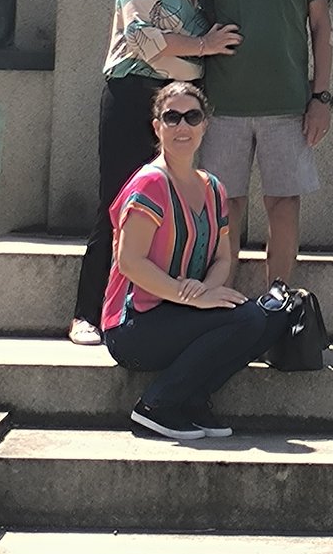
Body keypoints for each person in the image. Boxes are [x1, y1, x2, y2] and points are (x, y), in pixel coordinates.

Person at [68, 0, 241, 345]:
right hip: (134, 97)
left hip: (181, 105)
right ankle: (87, 314)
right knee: (119, 200)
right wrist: (203, 45)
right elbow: (141, 39)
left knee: (170, 207)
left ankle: (155, 306)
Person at [102, 81, 299, 441]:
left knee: (271, 317)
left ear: (205, 125)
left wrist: (208, 291)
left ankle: (192, 399)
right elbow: (129, 262)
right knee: (247, 318)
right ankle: (157, 404)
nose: (182, 127)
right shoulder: (149, 184)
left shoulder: (213, 188)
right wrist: (189, 296)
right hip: (135, 326)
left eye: (192, 117)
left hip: (184, 312)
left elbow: (224, 256)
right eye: (171, 117)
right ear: (156, 125)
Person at [194, 0, 333, 286]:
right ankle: (219, 301)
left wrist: (320, 98)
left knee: (283, 204)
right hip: (223, 108)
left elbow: (322, 28)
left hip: (287, 107)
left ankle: (278, 302)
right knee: (226, 209)